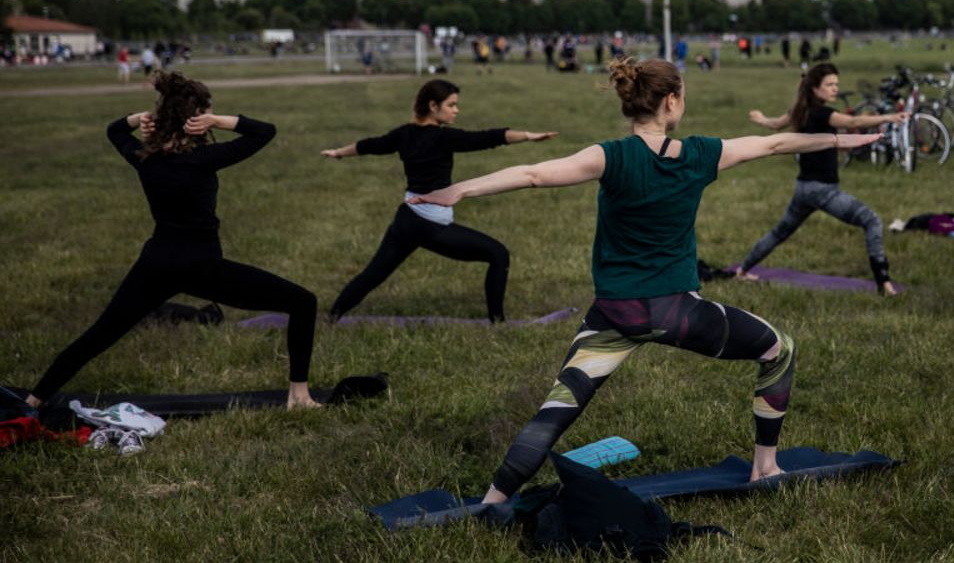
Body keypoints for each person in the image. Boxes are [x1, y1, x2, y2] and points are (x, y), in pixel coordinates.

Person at [412, 57, 882, 504]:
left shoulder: (609, 156)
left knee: (558, 409)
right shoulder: (701, 155)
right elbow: (777, 144)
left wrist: (461, 189)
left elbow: (534, 174)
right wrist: (840, 142)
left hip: (615, 314)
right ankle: (766, 467)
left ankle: (494, 498)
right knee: (779, 348)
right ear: (672, 102)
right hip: (677, 312)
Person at [24, 72, 319, 410]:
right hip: (203, 267)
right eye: (208, 112)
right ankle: (299, 396)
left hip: (157, 264)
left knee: (99, 336)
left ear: (161, 118)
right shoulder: (205, 158)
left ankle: (33, 400)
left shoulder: (144, 157)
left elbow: (114, 130)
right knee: (303, 302)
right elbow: (265, 131)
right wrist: (221, 121)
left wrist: (140, 119)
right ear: (199, 118)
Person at [321, 79, 557, 323]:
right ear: (433, 106)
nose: (456, 110)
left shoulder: (403, 134)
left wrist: (339, 153)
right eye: (451, 105)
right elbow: (488, 137)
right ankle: (498, 323)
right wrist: (528, 136)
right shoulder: (443, 138)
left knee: (373, 274)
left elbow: (369, 145)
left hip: (407, 220)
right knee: (499, 255)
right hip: (429, 224)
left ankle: (332, 316)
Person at [737, 62, 907, 295]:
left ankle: (743, 270)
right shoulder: (822, 113)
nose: (835, 88)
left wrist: (760, 119)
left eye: (836, 84)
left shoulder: (800, 109)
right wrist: (889, 117)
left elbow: (776, 124)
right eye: (829, 84)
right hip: (823, 191)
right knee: (872, 221)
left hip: (803, 189)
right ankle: (884, 284)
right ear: (815, 89)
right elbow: (853, 122)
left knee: (779, 233)